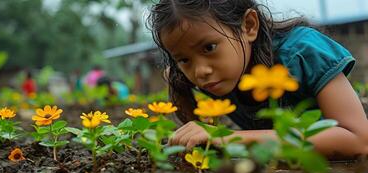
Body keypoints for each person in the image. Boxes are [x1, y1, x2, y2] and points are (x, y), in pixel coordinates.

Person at [147, 0, 368, 158]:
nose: (200, 71)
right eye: (184, 59)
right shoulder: (190, 75)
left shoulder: (302, 52)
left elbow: (359, 140)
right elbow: (172, 73)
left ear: (249, 26)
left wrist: (227, 138)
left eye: (209, 47)